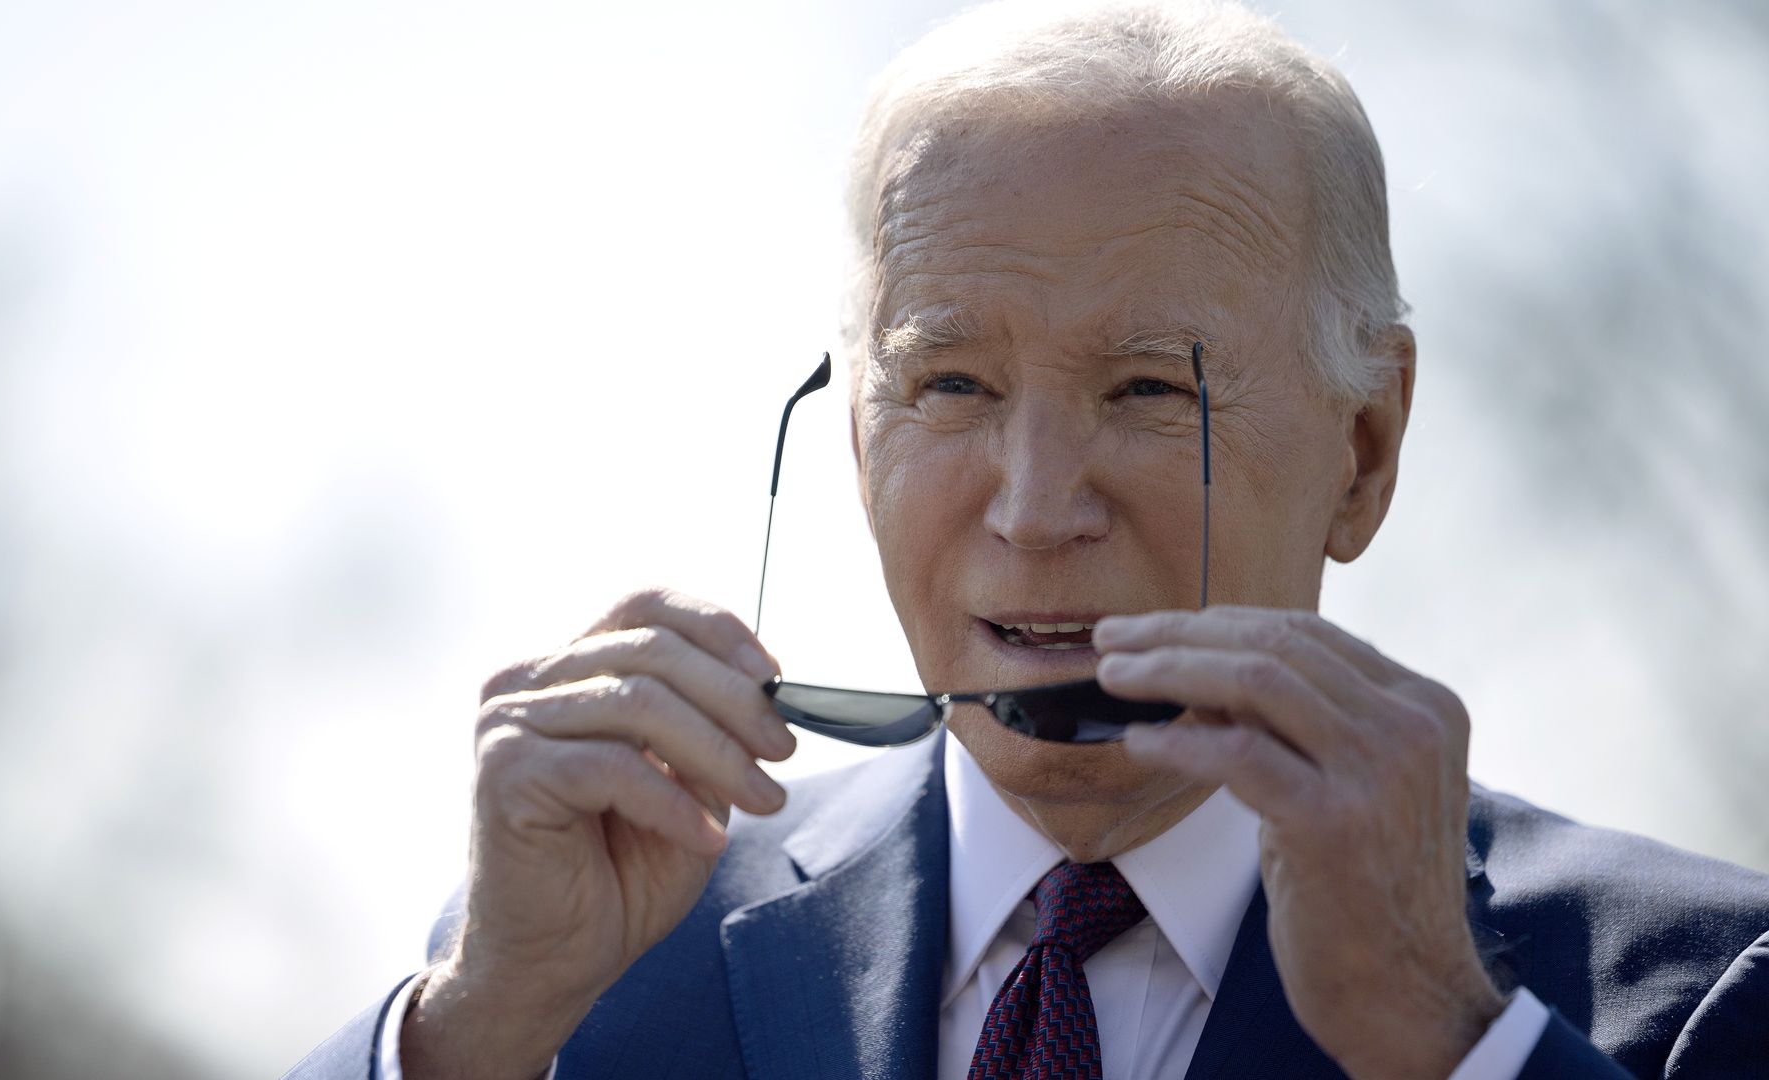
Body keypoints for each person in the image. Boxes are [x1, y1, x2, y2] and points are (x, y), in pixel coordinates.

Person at [287, 2, 1769, 1077]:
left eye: (1144, 390)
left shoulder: (1695, 998)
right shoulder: (585, 979)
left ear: (1363, 449)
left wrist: (1462, 1053)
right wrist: (469, 1028)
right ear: (859, 437)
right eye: (951, 386)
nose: (1033, 505)